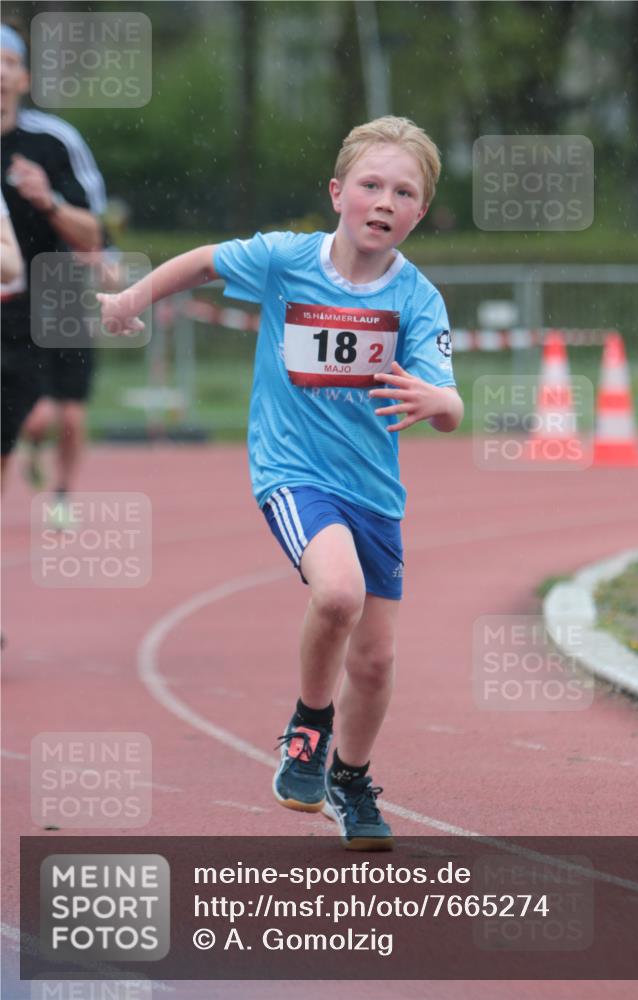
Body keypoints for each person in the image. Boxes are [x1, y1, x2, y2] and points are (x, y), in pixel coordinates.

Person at [98, 116, 464, 850]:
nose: (384, 201)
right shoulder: (283, 260)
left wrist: (439, 404)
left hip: (373, 491)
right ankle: (308, 726)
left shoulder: (417, 299)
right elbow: (204, 262)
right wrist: (131, 300)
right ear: (337, 193)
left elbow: (449, 399)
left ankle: (351, 779)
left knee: (376, 657)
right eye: (370, 185)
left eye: (402, 192)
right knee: (336, 594)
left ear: (419, 213)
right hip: (291, 473)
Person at [1, 22, 105, 498]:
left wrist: (47, 200)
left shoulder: (54, 141)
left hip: (57, 290)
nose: (0, 73)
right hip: (6, 297)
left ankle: (61, 492)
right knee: (18, 416)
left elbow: (93, 233)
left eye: (9, 62)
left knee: (69, 411)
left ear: (23, 78)